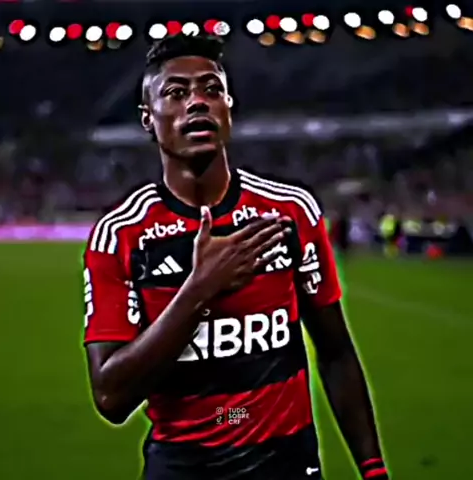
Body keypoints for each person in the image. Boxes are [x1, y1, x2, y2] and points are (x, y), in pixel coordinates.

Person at [83, 34, 389, 480]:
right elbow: (111, 397)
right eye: (176, 93)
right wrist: (200, 289)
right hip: (184, 468)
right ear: (148, 117)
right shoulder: (123, 235)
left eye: (211, 89)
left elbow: (337, 352)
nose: (197, 102)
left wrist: (373, 469)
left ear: (229, 107)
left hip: (288, 465)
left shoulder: (289, 212)